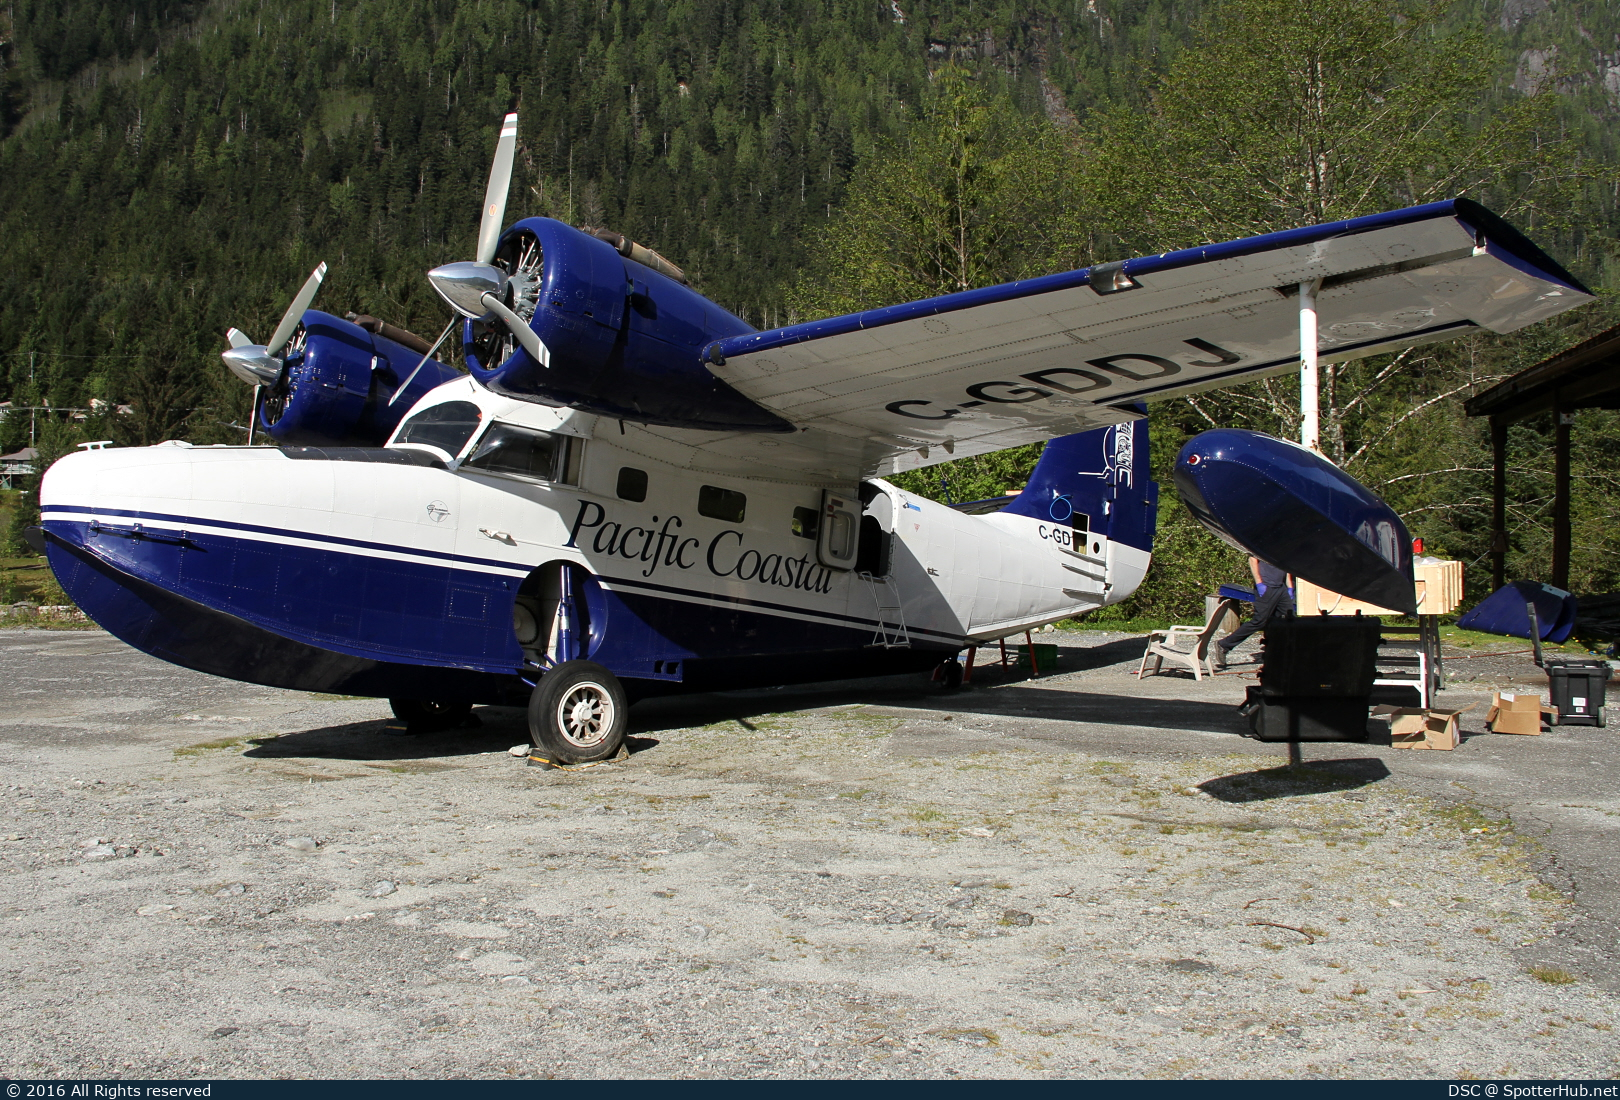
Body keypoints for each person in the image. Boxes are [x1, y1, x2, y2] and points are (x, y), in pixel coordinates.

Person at [1212, 556, 1293, 670]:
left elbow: (1286, 565)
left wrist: (1289, 587)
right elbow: (1252, 559)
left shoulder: (1283, 548)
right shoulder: (1264, 546)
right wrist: (1259, 583)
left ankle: (1279, 654)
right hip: (1267, 586)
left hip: (1281, 588)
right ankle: (1224, 644)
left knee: (1288, 620)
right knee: (1260, 621)